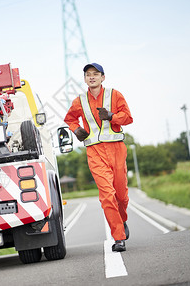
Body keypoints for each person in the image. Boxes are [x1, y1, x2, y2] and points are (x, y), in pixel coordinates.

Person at [64, 63, 133, 252]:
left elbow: (128, 117)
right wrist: (76, 130)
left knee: (122, 196)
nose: (92, 77)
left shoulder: (115, 95)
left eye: (95, 74)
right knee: (107, 196)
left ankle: (122, 219)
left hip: (116, 150)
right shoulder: (80, 101)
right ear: (85, 78)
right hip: (94, 152)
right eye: (88, 74)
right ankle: (118, 238)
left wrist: (112, 116)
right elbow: (70, 118)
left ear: (103, 77)